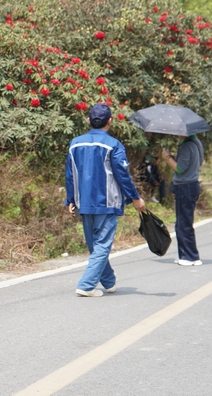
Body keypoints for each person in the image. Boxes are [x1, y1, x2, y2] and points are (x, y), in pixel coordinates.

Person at [64, 103, 146, 297]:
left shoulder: (75, 143)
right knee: (101, 246)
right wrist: (135, 197)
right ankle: (86, 285)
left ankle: (108, 282)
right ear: (110, 121)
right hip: (108, 202)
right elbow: (122, 175)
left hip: (84, 202)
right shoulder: (114, 145)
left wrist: (70, 200)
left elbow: (70, 175)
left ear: (88, 121)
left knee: (95, 246)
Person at [161, 133, 205, 266]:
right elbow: (194, 162)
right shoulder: (196, 142)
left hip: (185, 186)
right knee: (185, 221)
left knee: (183, 223)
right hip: (192, 184)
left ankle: (189, 256)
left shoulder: (187, 146)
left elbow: (180, 168)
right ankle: (190, 255)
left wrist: (167, 157)